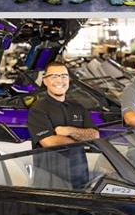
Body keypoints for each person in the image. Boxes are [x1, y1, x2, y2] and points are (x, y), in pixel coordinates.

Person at [27, 61, 99, 189]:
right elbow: (49, 142)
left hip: (79, 178)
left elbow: (95, 135)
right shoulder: (38, 110)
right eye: (54, 76)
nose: (60, 80)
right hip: (51, 181)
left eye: (64, 76)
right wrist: (81, 137)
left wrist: (70, 131)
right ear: (45, 81)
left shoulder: (78, 107)